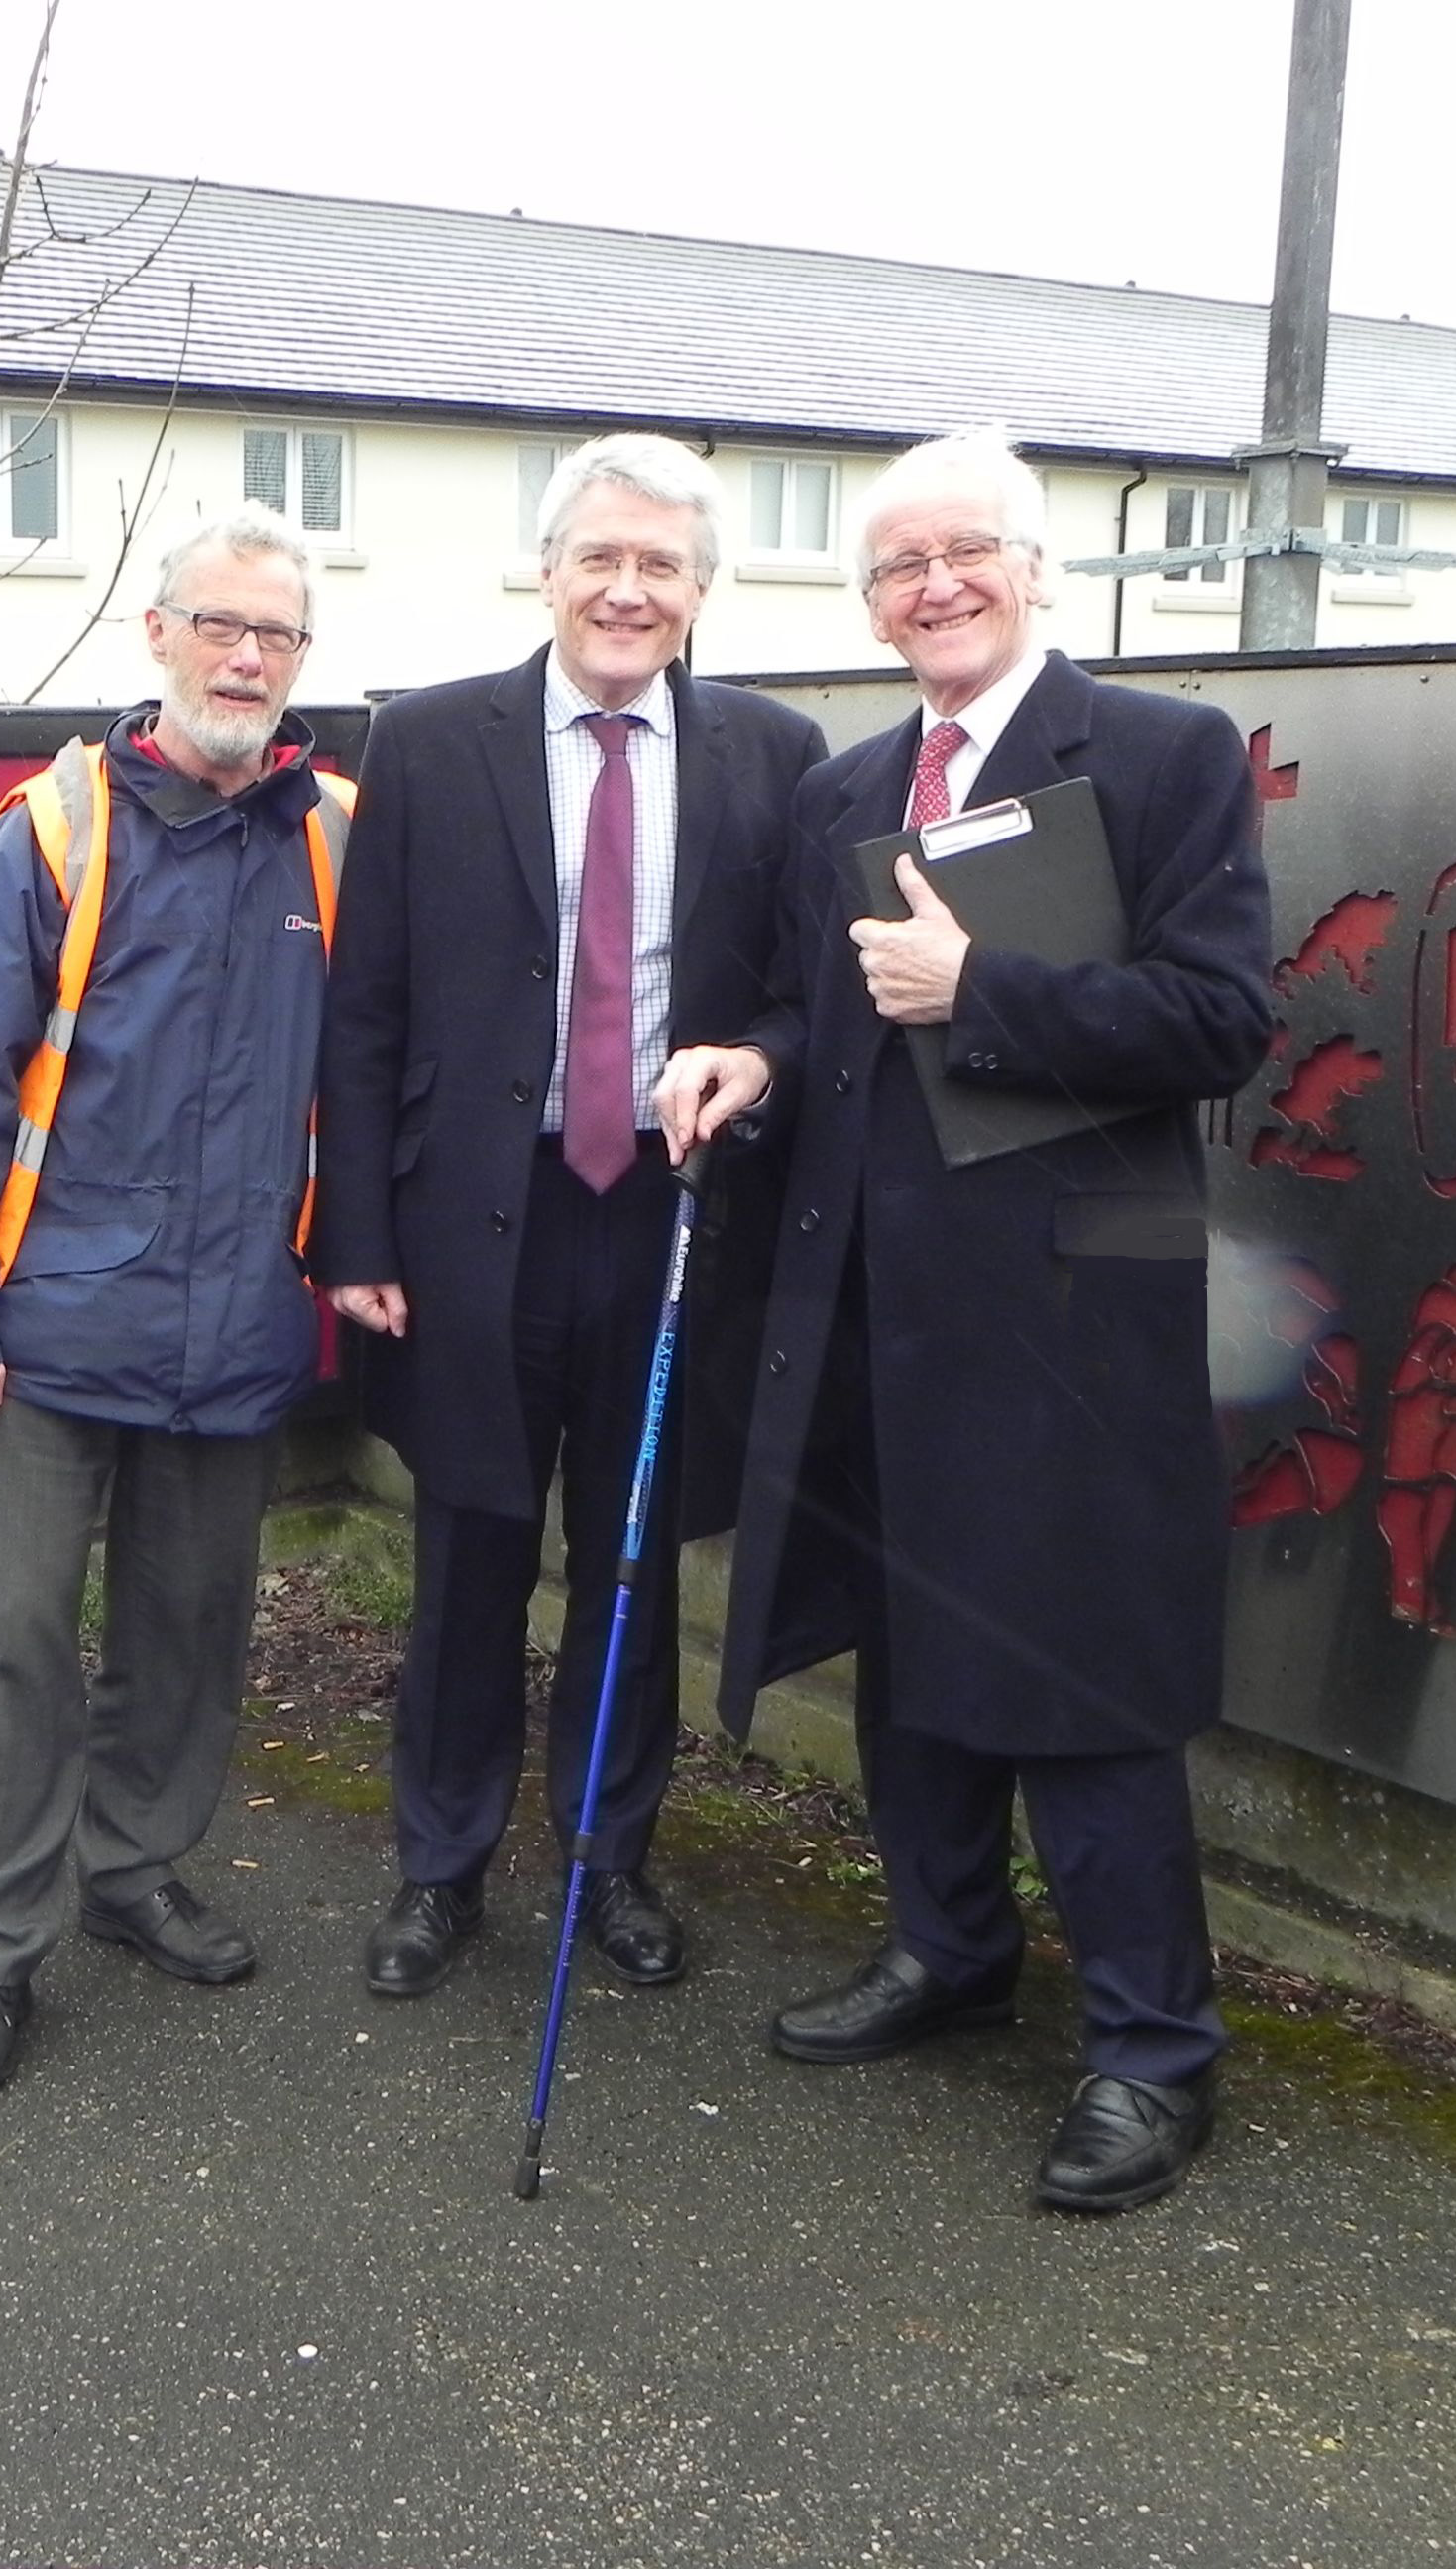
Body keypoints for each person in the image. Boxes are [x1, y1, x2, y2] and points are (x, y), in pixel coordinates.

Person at [708, 431, 1273, 2213]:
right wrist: (756, 1056)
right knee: (910, 1653)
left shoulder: (1167, 755)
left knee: (1083, 1677)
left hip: (1067, 1308)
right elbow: (831, 1022)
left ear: (1035, 566)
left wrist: (988, 990)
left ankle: (1152, 2055)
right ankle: (949, 1957)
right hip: (873, 1301)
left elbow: (1218, 1022)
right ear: (869, 603)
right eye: (897, 567)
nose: (933, 586)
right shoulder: (847, 785)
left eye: (965, 553)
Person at [312, 435, 824, 2001]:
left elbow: (804, 1003)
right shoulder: (426, 741)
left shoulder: (774, 752)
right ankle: (440, 1866)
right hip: (482, 1218)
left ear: (700, 589)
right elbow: (368, 1005)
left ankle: (612, 1860)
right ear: (548, 571)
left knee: (628, 1564)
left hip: (668, 1220)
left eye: (660, 565)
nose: (626, 588)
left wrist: (765, 1063)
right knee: (469, 1549)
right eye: (600, 557)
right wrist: (355, 1238)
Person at [0, 506, 353, 2099]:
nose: (245, 655)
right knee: (14, 1646)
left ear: (302, 663)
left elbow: (372, 1087)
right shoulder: (59, 825)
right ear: (155, 635)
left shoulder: (335, 834)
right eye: (218, 624)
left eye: (276, 636)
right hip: (49, 1328)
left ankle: (137, 1869)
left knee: (188, 1630)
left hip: (236, 1324)